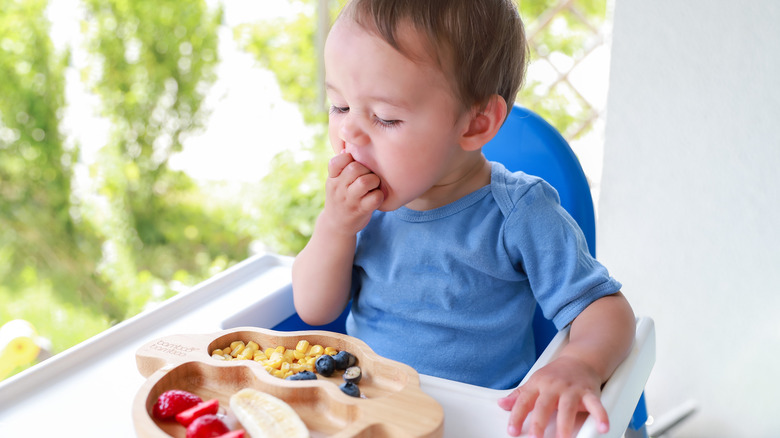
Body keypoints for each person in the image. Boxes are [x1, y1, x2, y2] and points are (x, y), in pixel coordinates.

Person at [291, 0, 636, 436]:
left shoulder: (519, 213)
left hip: (477, 424)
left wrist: (579, 363)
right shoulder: (360, 210)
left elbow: (606, 308)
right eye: (338, 107)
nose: (349, 134)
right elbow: (313, 309)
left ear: (475, 124)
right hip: (368, 412)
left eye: (384, 117)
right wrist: (335, 227)